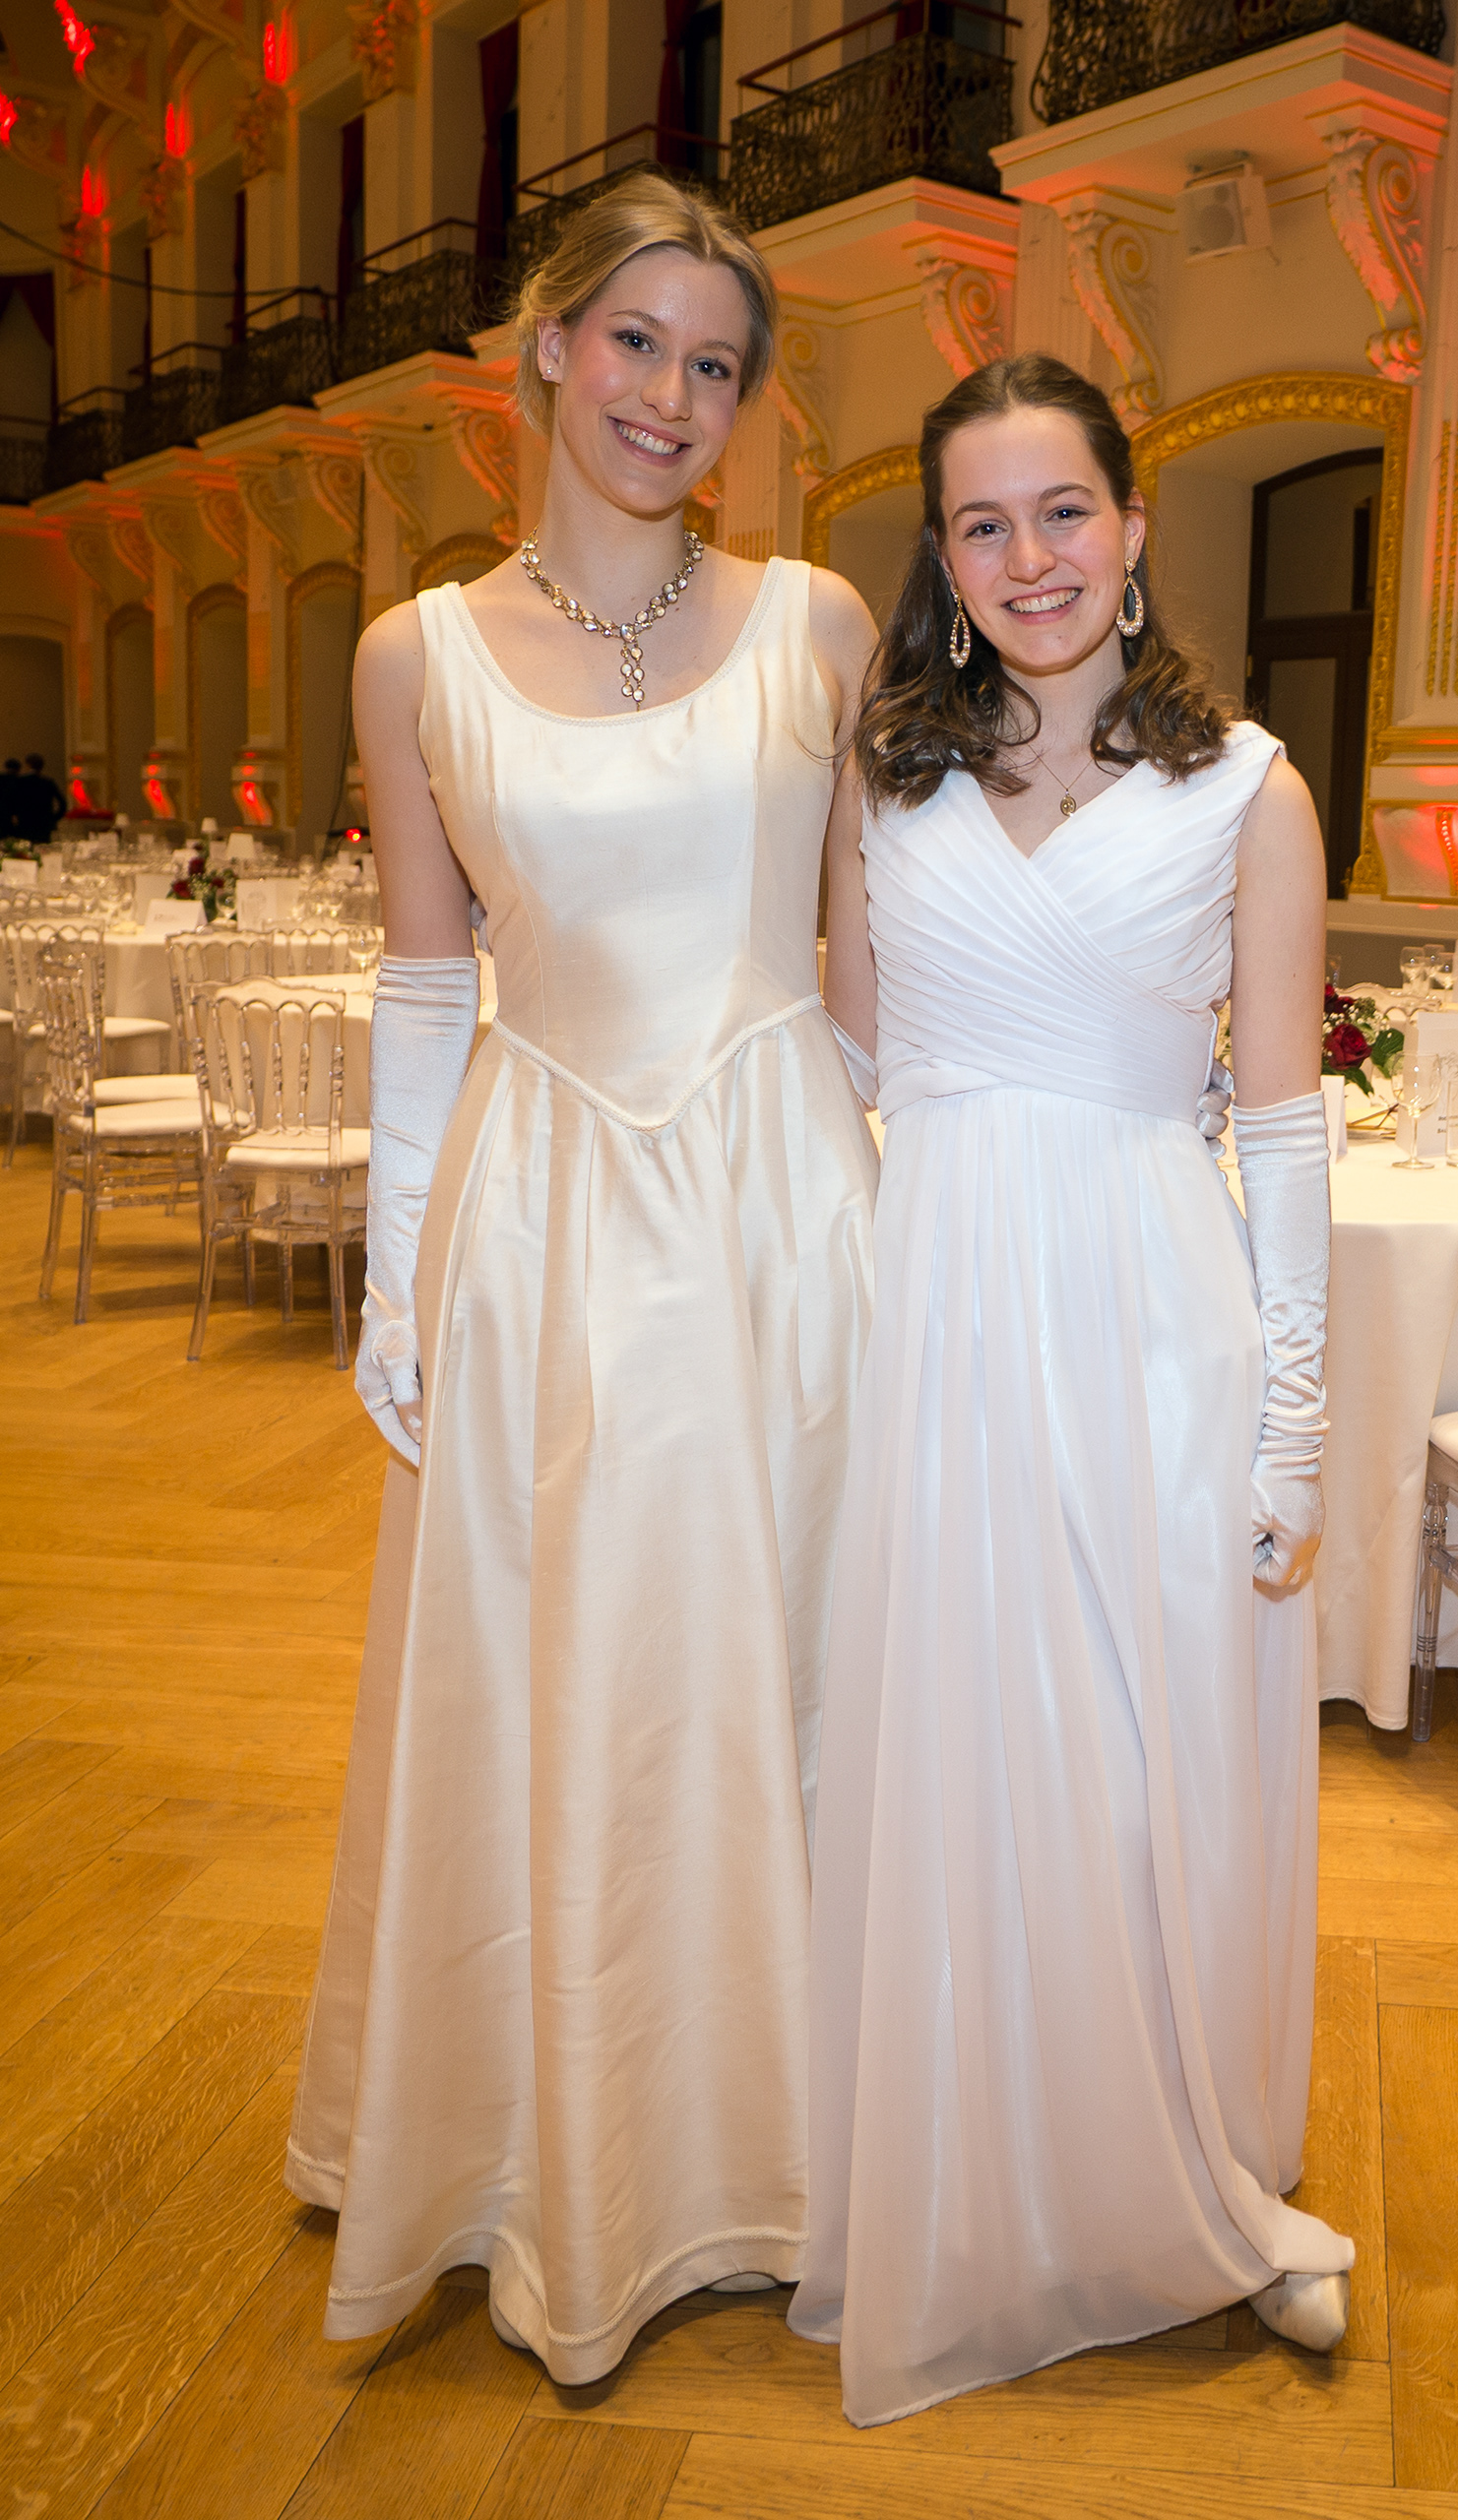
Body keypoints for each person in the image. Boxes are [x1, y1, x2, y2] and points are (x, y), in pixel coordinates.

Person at [285, 171, 881, 2382]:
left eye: (716, 364)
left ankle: (793, 2139)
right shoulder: (412, 655)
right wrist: (396, 1275)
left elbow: (872, 961)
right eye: (636, 341)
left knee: (790, 1653)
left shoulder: (820, 622)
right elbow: (425, 982)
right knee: (564, 1675)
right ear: (545, 347)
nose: (670, 396)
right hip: (539, 1213)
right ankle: (558, 2147)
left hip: (786, 1207)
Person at [791, 354, 1354, 2426]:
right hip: (936, 1318)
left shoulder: (1252, 791)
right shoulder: (884, 783)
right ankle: (971, 2180)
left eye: (1062, 511)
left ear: (1133, 526)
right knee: (960, 1750)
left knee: (1138, 1767)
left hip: (1149, 1321)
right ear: (940, 559)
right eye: (981, 522)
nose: (1027, 556)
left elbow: (1280, 1120)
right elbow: (848, 1057)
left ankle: (1177, 2172)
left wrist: (1295, 1411)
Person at [16, 753, 66, 846]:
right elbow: (62, 803)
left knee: (25, 848)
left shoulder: (21, 781)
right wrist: (53, 818)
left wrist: (16, 816)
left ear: (28, 765)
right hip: (44, 823)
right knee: (44, 849)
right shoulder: (48, 782)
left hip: (26, 822)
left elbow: (12, 801)